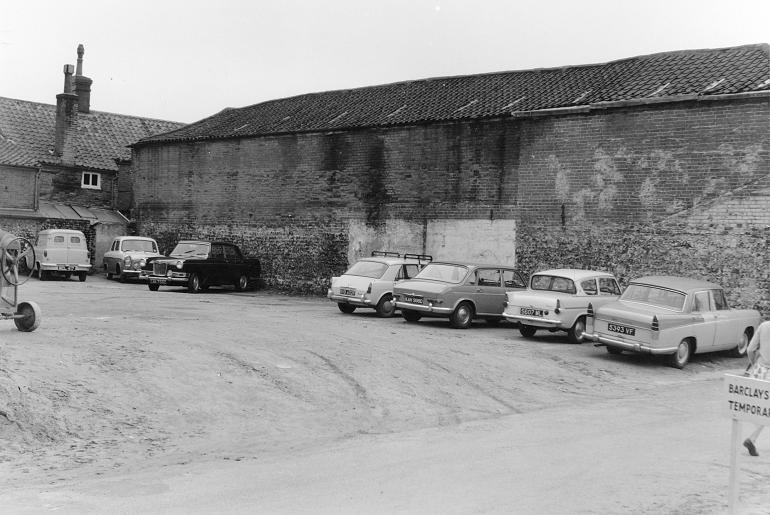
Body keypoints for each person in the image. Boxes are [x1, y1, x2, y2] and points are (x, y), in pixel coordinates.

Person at [743, 320, 770, 457]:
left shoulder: (764, 326)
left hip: (759, 370)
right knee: (766, 411)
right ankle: (752, 438)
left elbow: (750, 349)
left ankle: (752, 437)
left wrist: (754, 363)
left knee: (757, 408)